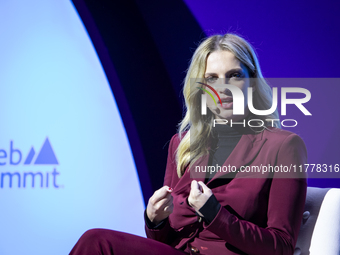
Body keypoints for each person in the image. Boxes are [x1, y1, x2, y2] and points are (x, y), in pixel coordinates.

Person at [69, 33, 307, 255]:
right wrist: (155, 220)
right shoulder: (183, 144)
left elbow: (282, 246)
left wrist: (216, 214)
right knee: (95, 241)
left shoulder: (283, 146)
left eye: (234, 75)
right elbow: (164, 242)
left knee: (96, 241)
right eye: (212, 78)